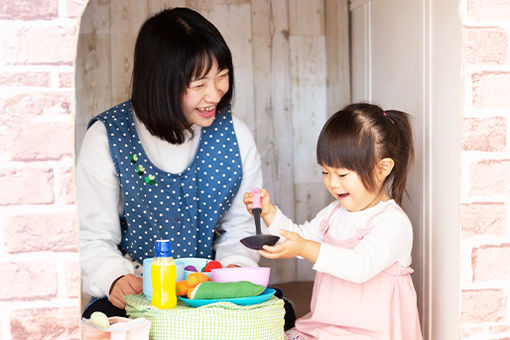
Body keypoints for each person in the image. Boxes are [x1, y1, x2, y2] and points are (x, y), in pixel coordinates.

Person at [77, 7, 263, 318]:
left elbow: (243, 226)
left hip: (209, 294)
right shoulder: (107, 136)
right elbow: (92, 235)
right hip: (137, 292)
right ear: (160, 83)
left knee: (281, 313)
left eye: (222, 76)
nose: (216, 93)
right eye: (199, 83)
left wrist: (233, 272)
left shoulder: (236, 136)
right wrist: (114, 276)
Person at [244, 103, 423, 339]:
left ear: (383, 168)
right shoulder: (334, 213)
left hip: (371, 333)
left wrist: (306, 247)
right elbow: (301, 238)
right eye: (325, 172)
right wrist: (268, 213)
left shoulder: (392, 223)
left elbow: (359, 266)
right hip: (326, 328)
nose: (333, 183)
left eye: (342, 174)